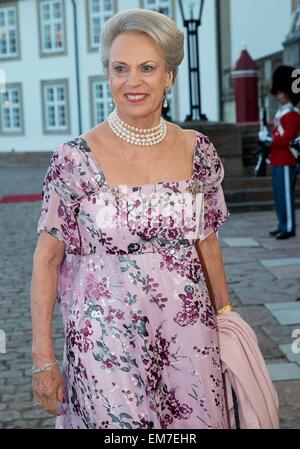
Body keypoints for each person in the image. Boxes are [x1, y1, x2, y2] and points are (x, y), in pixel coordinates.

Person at [31, 9, 233, 429]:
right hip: (103, 342)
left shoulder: (198, 151)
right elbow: (47, 260)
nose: (133, 81)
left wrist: (227, 319)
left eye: (147, 68)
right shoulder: (73, 159)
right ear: (107, 75)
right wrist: (42, 360)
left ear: (169, 76)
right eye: (120, 68)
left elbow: (207, 242)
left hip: (190, 337)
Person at [259, 65, 300, 239]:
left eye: (281, 91)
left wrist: (269, 140)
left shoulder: (292, 114)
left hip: (286, 159)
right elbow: (278, 135)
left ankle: (289, 227)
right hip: (278, 160)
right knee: (279, 196)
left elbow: (287, 139)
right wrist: (267, 136)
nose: (278, 95)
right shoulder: (281, 113)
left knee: (286, 197)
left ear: (288, 93)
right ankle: (282, 224)